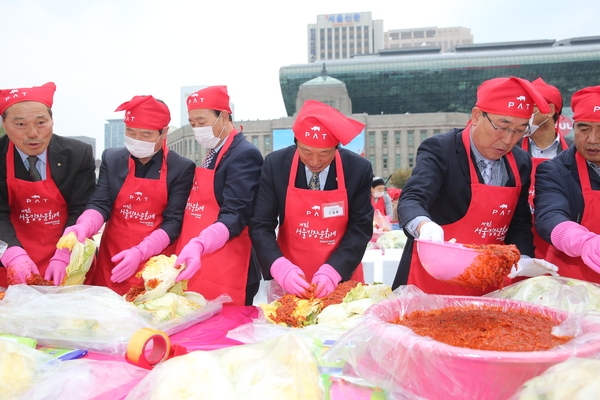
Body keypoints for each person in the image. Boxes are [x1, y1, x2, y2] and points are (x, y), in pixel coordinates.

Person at [392, 77, 559, 295]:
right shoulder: (442, 149)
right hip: (431, 279)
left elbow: (519, 221)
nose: (508, 140)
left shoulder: (520, 161)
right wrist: (424, 226)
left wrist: (524, 259)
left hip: (488, 282)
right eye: (502, 126)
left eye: (519, 130)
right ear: (477, 115)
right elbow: (413, 198)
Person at [52, 95, 195, 294]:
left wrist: (141, 251)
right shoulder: (112, 158)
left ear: (164, 133)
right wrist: (83, 226)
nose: (137, 140)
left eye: (146, 135)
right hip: (113, 258)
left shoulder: (181, 168)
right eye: (131, 132)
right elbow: (101, 203)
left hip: (153, 265)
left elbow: (173, 222)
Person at [250, 100, 374, 299]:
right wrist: (278, 266)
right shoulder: (276, 165)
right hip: (290, 276)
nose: (315, 162)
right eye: (306, 152)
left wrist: (334, 271)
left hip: (340, 274)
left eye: (325, 154)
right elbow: (260, 224)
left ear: (337, 147)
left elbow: (360, 228)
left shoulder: (358, 169)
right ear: (296, 143)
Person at [174, 86, 263, 306]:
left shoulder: (244, 154)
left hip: (231, 264)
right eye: (193, 124)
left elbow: (236, 212)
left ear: (223, 117)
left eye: (202, 122)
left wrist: (202, 243)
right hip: (202, 263)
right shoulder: (214, 152)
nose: (197, 129)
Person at [0, 82, 96, 286]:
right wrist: (12, 254)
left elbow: (81, 208)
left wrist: (65, 253)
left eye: (41, 122)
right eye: (20, 124)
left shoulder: (78, 154)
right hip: (11, 264)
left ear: (52, 121)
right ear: (4, 124)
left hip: (66, 263)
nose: (33, 133)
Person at [534, 85, 600, 283]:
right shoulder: (555, 170)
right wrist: (584, 242)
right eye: (583, 128)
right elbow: (549, 215)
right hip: (574, 286)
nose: (592, 140)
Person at [518, 77, 573, 259]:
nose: (524, 114)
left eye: (531, 107)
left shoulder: (576, 154)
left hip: (563, 248)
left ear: (549, 110)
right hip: (518, 247)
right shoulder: (510, 151)